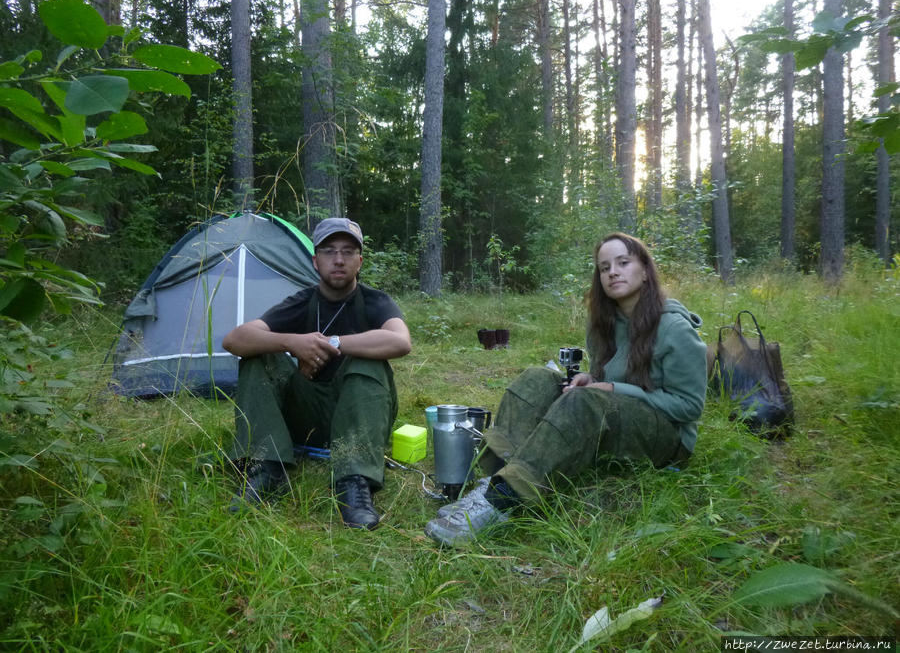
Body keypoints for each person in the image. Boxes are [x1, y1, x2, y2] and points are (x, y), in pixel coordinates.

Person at [425, 232, 707, 545]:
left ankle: (501, 501)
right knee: (538, 378)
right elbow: (609, 379)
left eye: (623, 263)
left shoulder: (674, 328)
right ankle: (495, 478)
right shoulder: (605, 323)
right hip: (617, 416)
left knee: (585, 402)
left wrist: (612, 389)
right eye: (604, 267)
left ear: (644, 270)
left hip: (667, 440)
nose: (612, 272)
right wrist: (590, 377)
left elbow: (689, 406)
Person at [223, 217, 411, 529]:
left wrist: (333, 343)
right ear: (315, 260)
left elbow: (400, 341)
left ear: (359, 261)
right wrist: (293, 342)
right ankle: (267, 468)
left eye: (348, 252)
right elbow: (235, 340)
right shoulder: (301, 302)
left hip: (358, 415)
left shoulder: (376, 302)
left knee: (369, 359)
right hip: (306, 415)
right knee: (257, 357)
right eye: (329, 251)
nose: (338, 260)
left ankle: (354, 481)